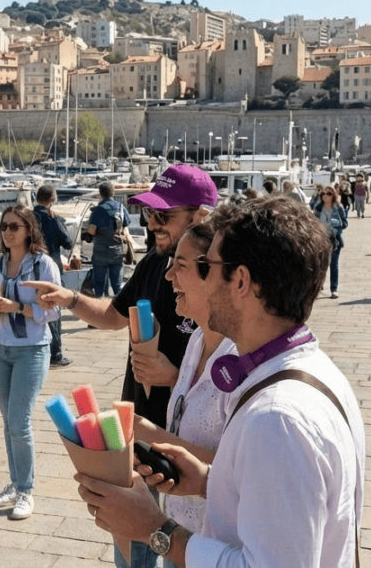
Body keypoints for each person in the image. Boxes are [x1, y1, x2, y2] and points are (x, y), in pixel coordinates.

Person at [76, 196, 365, 568]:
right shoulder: (313, 371)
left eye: (207, 267)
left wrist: (154, 528)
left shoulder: (278, 419)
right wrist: (210, 483)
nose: (184, 278)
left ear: (241, 280)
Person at [26, 163, 217, 568]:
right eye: (149, 213)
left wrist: (174, 374)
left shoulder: (219, 287)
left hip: (185, 451)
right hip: (136, 436)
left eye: (164, 215)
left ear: (200, 216)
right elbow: (114, 315)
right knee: (131, 554)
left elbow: (226, 363)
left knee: (173, 547)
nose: (153, 223)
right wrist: (70, 299)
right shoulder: (152, 264)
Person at [131, 222, 236, 551]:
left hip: (216, 541)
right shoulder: (195, 340)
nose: (168, 275)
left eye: (181, 265)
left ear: (214, 275)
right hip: (179, 526)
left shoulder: (241, 359)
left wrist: (151, 435)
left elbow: (237, 467)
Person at [0, 205, 60, 520]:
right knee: (8, 422)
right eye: (3, 226)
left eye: (14, 226)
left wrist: (17, 306)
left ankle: (26, 490)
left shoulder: (43, 266)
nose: (7, 232)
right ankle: (15, 484)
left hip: (31, 349)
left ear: (29, 229)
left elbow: (53, 311)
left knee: (19, 421)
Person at [33, 184, 73, 367]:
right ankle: (55, 354)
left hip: (31, 268)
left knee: (33, 308)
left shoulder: (27, 217)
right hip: (52, 268)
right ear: (52, 199)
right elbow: (67, 242)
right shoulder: (52, 218)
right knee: (53, 310)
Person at [87, 181, 130, 298]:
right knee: (117, 285)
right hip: (117, 251)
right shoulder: (121, 208)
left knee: (99, 284)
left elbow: (91, 230)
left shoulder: (98, 210)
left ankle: (100, 309)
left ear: (101, 194)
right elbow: (125, 228)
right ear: (113, 192)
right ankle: (120, 310)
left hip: (101, 251)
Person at [312, 184, 348, 299]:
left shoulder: (338, 207)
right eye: (323, 194)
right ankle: (319, 286)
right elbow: (313, 222)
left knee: (333, 264)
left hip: (334, 239)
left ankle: (334, 289)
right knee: (321, 264)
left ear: (333, 195)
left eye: (328, 193)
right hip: (321, 238)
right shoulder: (318, 207)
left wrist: (336, 225)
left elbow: (345, 223)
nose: (325, 196)